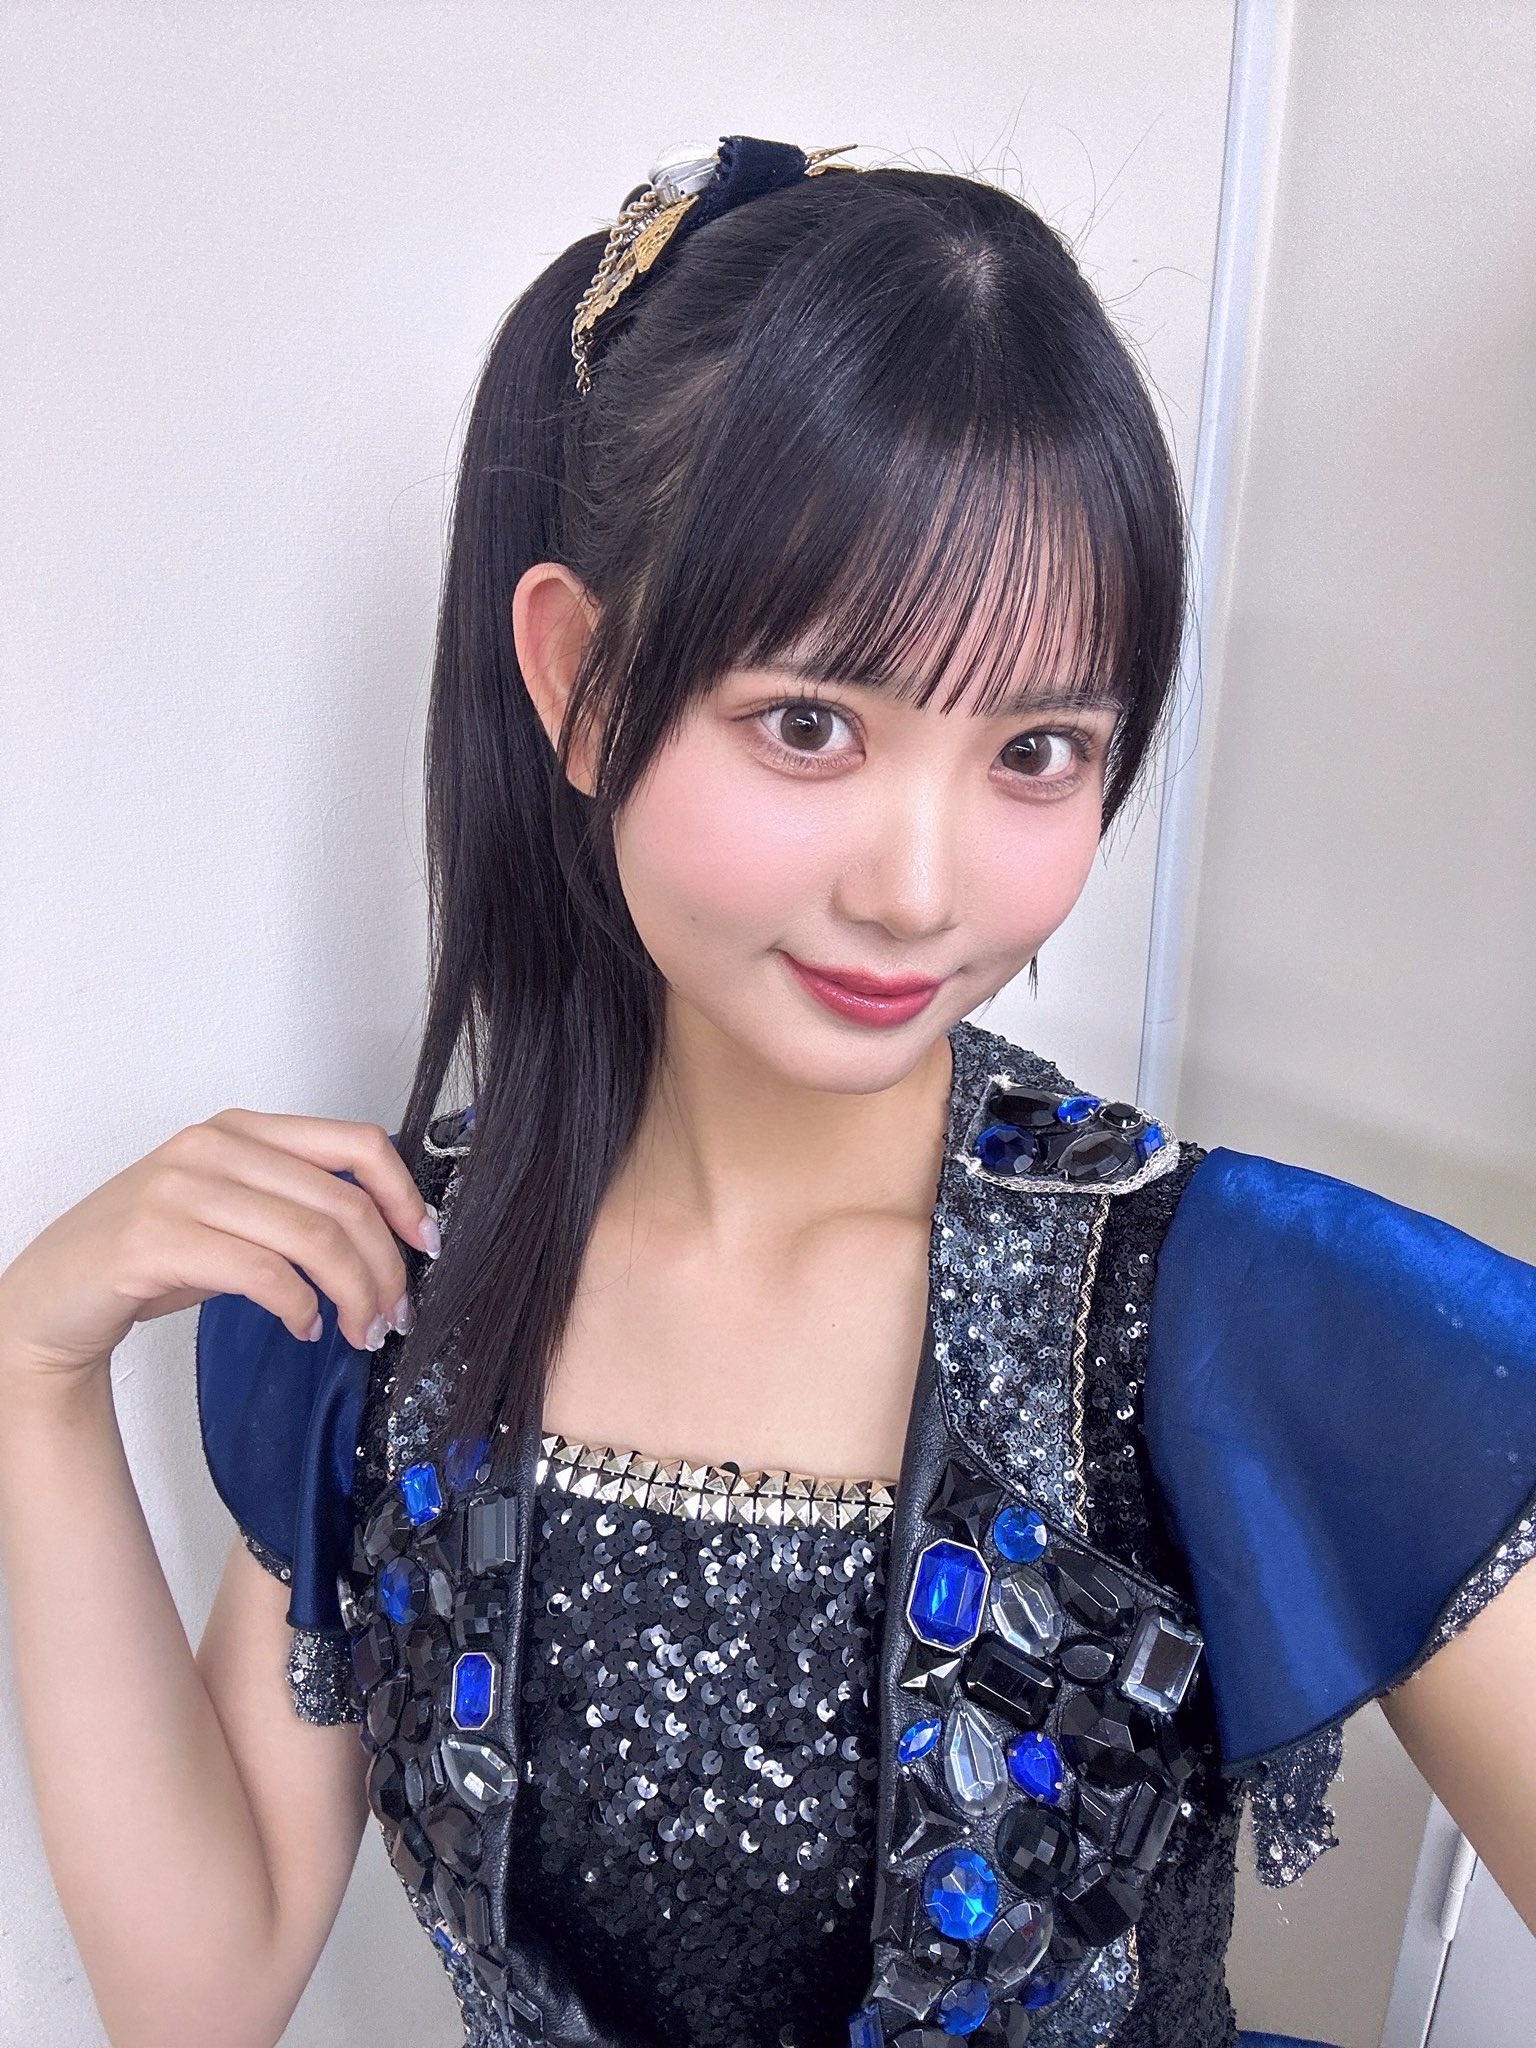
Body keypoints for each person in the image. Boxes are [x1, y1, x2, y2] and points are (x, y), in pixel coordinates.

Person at [0, 134, 1531, 2048]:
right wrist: (34, 1379)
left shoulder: (1223, 1312)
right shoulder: (395, 1289)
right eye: (811, 724)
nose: (918, 886)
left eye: (1036, 751)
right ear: (576, 678)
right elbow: (197, 1995)